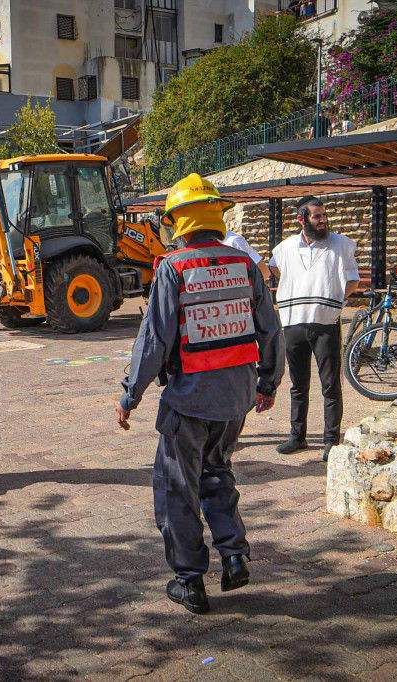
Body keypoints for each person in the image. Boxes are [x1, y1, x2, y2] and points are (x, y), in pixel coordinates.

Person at [117, 173, 283, 615]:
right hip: (236, 399)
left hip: (189, 400)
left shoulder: (173, 267)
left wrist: (130, 394)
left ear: (178, 222)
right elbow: (270, 329)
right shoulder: (244, 264)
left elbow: (154, 340)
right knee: (217, 473)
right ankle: (234, 554)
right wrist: (268, 383)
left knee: (177, 488)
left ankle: (190, 581)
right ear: (216, 216)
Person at [268, 196, 359, 462]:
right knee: (297, 384)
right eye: (317, 216)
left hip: (325, 322)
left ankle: (331, 440)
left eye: (323, 215)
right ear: (301, 219)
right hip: (293, 321)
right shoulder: (284, 248)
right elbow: (274, 267)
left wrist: (334, 300)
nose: (323, 220)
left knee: (330, 384)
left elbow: (353, 280)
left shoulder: (341, 244)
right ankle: (297, 436)